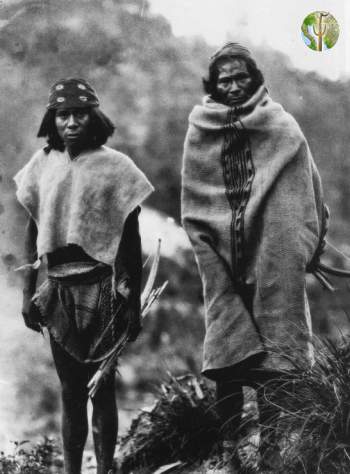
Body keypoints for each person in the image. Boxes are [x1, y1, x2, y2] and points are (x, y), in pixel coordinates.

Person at [181, 43, 328, 471]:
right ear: (213, 84)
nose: (231, 86)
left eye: (240, 77)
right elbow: (194, 203)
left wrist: (301, 241)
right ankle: (229, 450)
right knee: (227, 353)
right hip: (220, 260)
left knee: (274, 354)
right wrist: (210, 246)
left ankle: (271, 448)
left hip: (273, 255)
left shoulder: (282, 126)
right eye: (223, 79)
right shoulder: (199, 130)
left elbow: (306, 189)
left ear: (255, 78)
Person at [14, 78, 154, 474]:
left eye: (80, 114)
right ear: (52, 119)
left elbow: (131, 235)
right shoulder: (42, 164)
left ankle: (105, 469)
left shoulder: (117, 167)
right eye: (63, 115)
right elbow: (32, 232)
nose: (71, 123)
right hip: (59, 289)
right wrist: (28, 292)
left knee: (102, 388)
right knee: (70, 390)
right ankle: (73, 470)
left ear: (94, 117)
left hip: (103, 289)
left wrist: (134, 300)